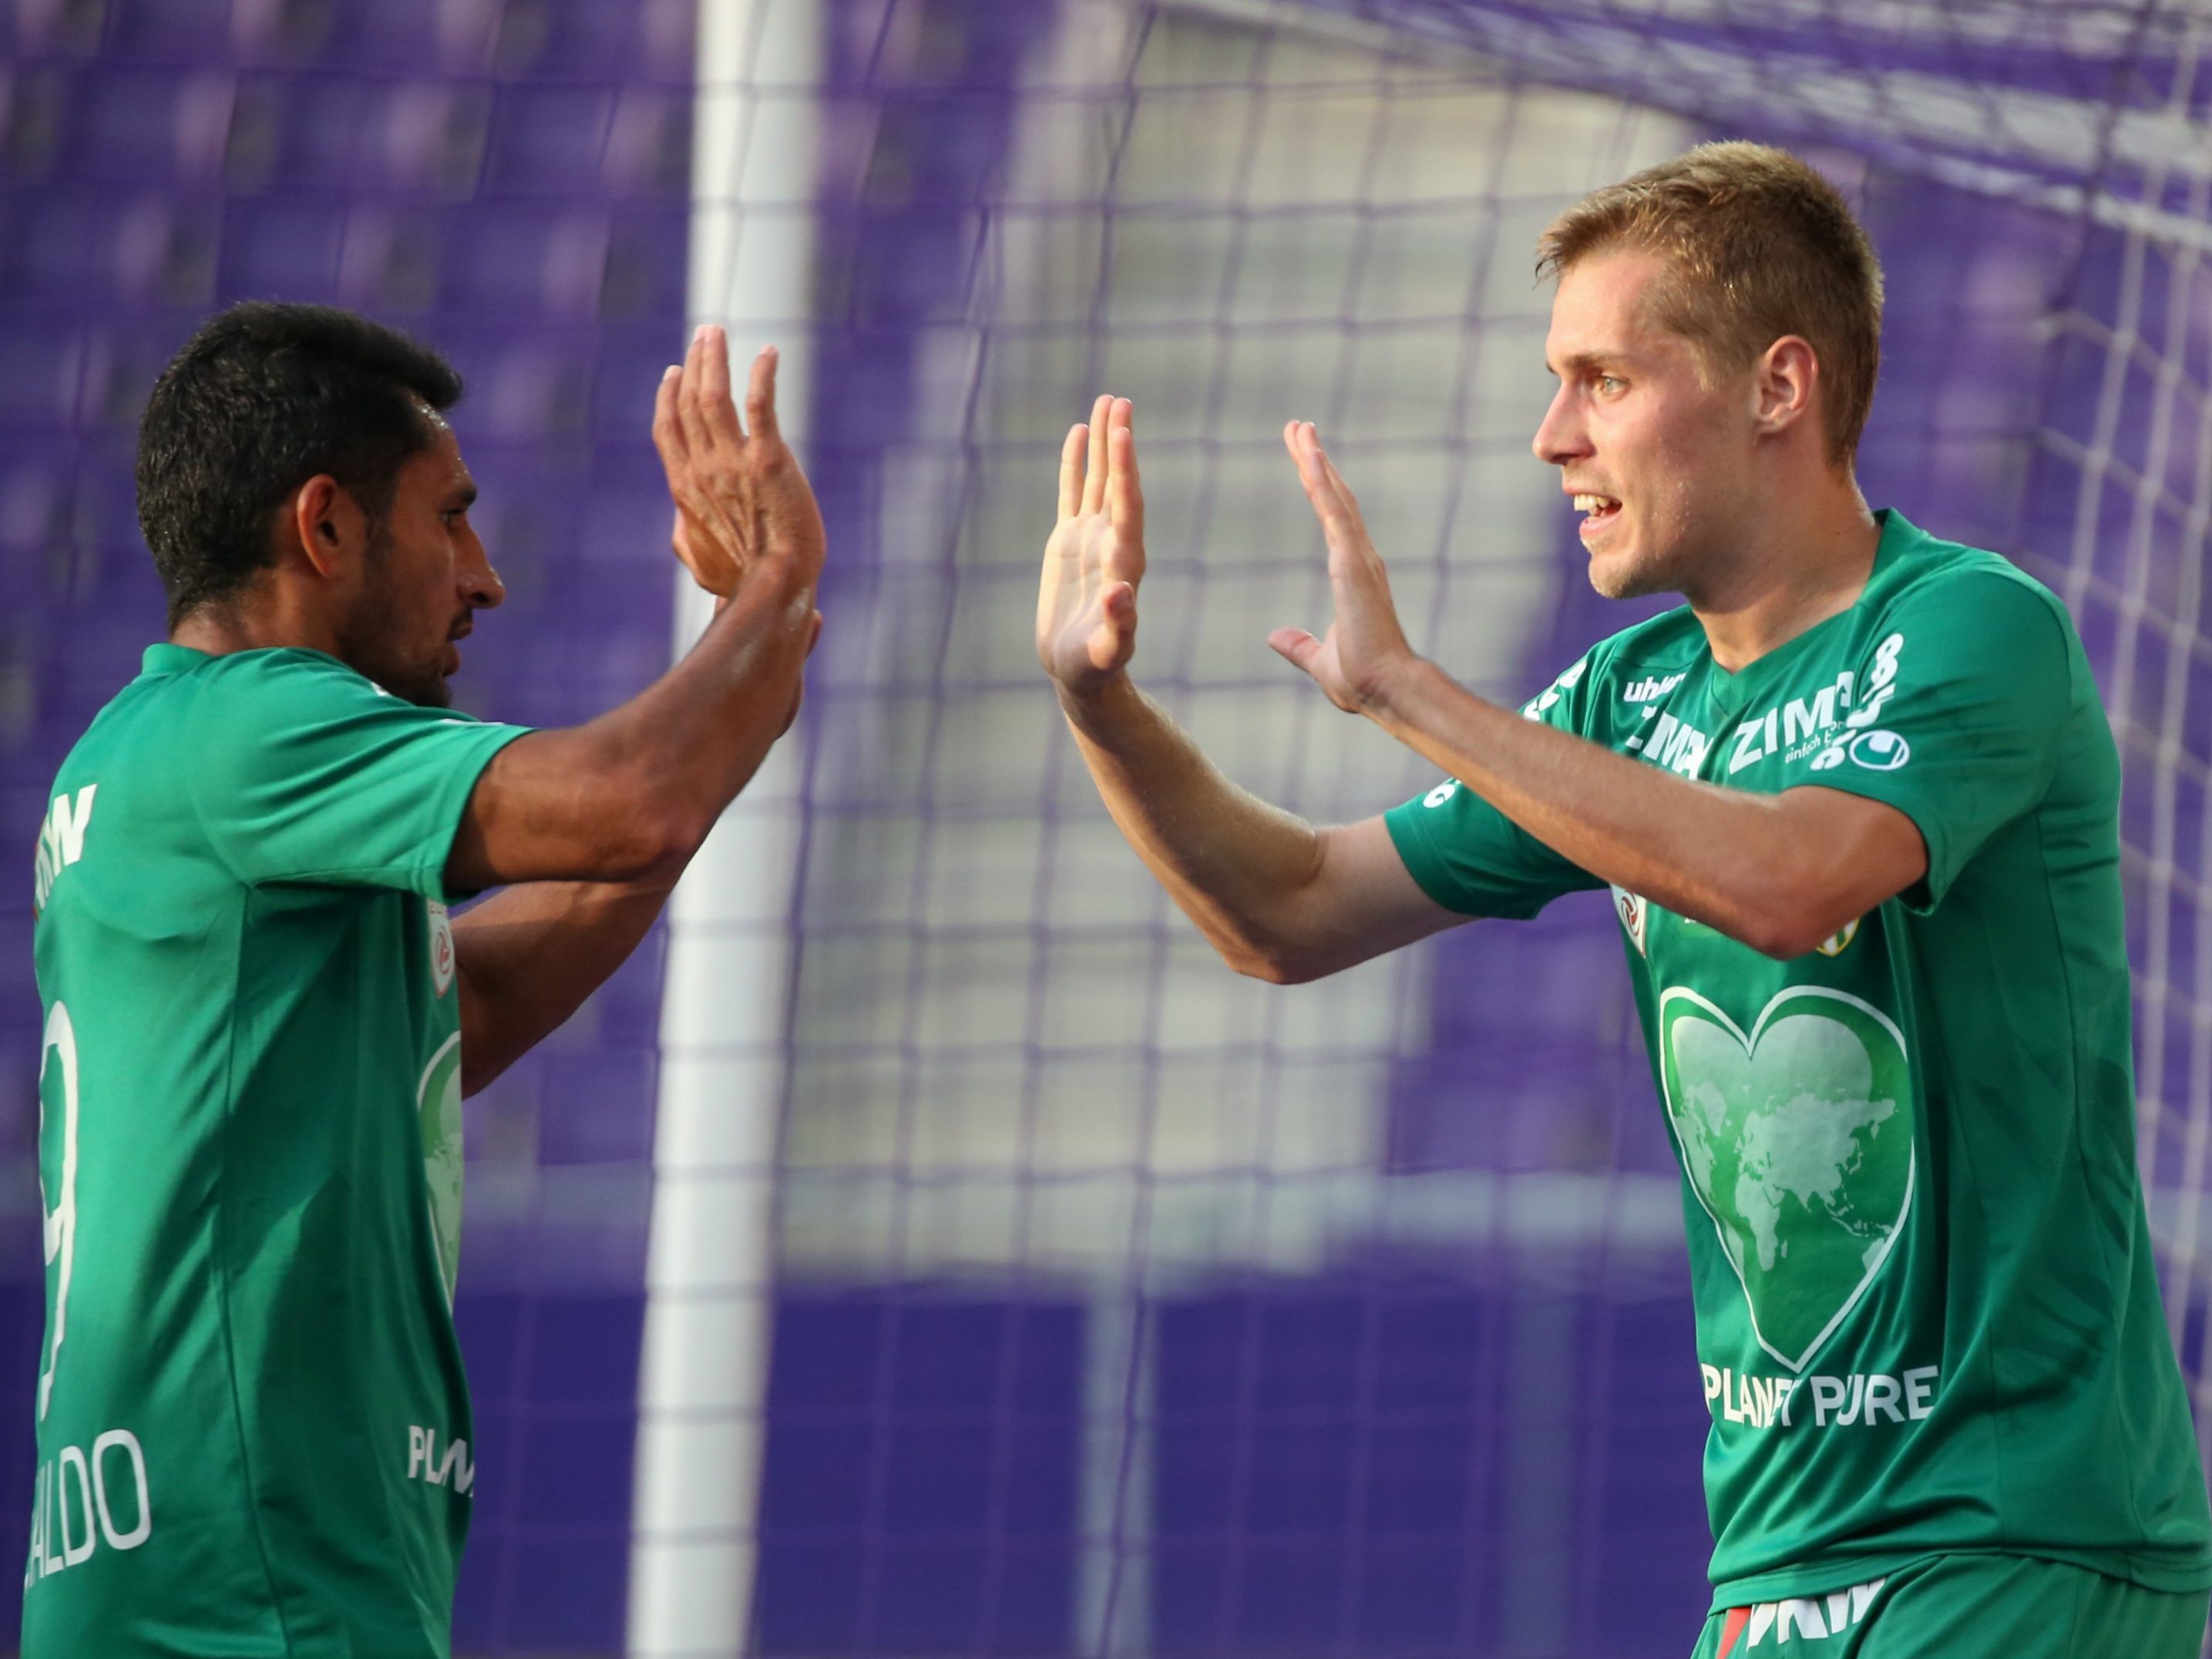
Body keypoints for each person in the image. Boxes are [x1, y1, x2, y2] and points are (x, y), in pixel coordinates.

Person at [1034, 142, 2212, 1655]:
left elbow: (1789, 882)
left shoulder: (1970, 626)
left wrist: (1404, 693)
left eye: (1601, 379)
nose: (1549, 437)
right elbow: (1293, 910)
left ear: (1777, 387)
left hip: (2019, 1545)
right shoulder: (1626, 698)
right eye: (1552, 382)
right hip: (1773, 1566)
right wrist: (1099, 705)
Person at [23, 303, 820, 1655]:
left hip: (207, 1579)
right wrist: (779, 576)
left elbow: (483, 998)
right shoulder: (244, 725)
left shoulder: (155, 761)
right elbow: (631, 799)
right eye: (449, 516)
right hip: (248, 1586)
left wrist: (757, 658)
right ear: (325, 526)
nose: (485, 575)